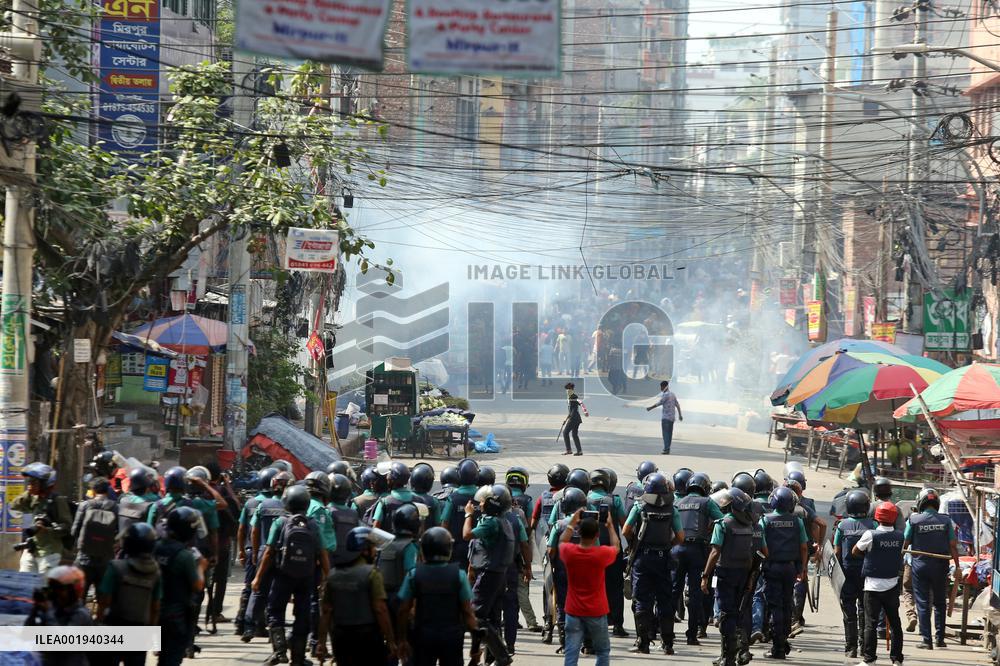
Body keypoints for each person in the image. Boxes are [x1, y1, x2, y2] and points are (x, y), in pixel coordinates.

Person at [252, 484, 330, 666]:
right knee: (302, 615)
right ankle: (298, 658)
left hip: (283, 575)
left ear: (286, 503)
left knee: (274, 611)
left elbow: (269, 552)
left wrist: (258, 577)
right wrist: (328, 577)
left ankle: (279, 652)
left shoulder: (280, 523)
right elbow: (323, 553)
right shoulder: (313, 525)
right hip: (306, 577)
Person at [316, 526, 398, 665]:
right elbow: (380, 609)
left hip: (341, 638)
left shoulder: (333, 575)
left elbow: (326, 611)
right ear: (365, 550)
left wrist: (321, 642)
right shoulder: (372, 573)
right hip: (368, 637)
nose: (375, 552)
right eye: (372, 547)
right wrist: (391, 641)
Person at [396, 527, 478, 666]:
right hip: (451, 637)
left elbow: (403, 610)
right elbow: (467, 612)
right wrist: (474, 646)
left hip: (423, 636)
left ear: (423, 549)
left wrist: (402, 639)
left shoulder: (414, 574)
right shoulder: (459, 575)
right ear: (448, 549)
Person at [622, 472, 684, 654]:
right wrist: (668, 545)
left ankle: (643, 643)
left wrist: (635, 542)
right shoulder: (672, 509)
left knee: (642, 600)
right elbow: (680, 537)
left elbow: (625, 530)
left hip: (643, 558)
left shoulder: (639, 507)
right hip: (663, 559)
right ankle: (668, 644)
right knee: (665, 600)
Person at [702, 488, 762, 666]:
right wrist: (750, 578)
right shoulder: (749, 525)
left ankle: (728, 658)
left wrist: (705, 575)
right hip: (743, 574)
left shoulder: (723, 524)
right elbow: (752, 554)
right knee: (736, 613)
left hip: (725, 574)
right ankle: (732, 654)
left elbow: (715, 552)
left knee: (725, 615)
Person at [464, 484, 518, 666]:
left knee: (475, 615)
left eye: (483, 502)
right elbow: (480, 547)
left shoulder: (491, 523)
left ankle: (501, 655)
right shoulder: (504, 521)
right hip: (498, 574)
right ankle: (491, 657)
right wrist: (472, 567)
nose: (479, 504)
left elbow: (467, 535)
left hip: (489, 574)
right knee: (492, 618)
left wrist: (468, 515)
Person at [558, 508, 620, 666]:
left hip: (573, 610)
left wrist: (573, 522)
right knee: (603, 651)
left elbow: (562, 542)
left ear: (579, 533)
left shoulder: (570, 552)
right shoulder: (601, 555)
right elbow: (616, 546)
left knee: (571, 651)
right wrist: (610, 526)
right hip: (596, 610)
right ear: (597, 535)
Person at [902, 487, 961, 650]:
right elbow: (953, 545)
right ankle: (939, 639)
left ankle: (927, 641)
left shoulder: (914, 520)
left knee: (922, 602)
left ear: (920, 502)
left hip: (920, 566)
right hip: (940, 566)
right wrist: (957, 566)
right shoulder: (946, 521)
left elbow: (905, 543)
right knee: (940, 602)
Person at [97, 523, 161, 666]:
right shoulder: (156, 573)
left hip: (113, 629)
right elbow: (156, 608)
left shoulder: (115, 567)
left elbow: (104, 601)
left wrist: (99, 624)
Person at [674, 471, 723, 645]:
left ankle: (666, 636)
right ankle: (692, 635)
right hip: (697, 551)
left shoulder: (678, 502)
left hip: (677, 549)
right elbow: (722, 521)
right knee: (696, 594)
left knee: (673, 591)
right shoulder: (707, 502)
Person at [242, 470, 292, 643]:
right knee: (279, 594)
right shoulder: (290, 507)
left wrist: (256, 553)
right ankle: (275, 632)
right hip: (284, 554)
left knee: (258, 591)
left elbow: (254, 531)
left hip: (264, 552)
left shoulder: (263, 505)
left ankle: (249, 627)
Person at [853, 501, 905, 666]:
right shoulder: (900, 536)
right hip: (892, 586)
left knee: (871, 624)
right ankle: (897, 660)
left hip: (872, 587)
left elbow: (855, 551)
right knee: (895, 624)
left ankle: (869, 660)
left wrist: (869, 557)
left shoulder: (870, 535)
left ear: (877, 517)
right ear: (894, 518)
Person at [760, 486, 809, 660]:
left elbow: (761, 545)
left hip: (772, 568)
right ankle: (783, 641)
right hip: (790, 569)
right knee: (787, 604)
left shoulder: (765, 520)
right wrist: (802, 569)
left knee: (775, 606)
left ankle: (778, 647)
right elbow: (804, 547)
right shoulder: (798, 521)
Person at [155, 506, 207, 666]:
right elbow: (198, 585)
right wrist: (201, 567)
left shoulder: (156, 547)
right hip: (174, 616)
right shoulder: (185, 556)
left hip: (152, 612)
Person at [235, 466, 278, 638]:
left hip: (253, 551)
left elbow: (242, 529)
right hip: (269, 552)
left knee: (250, 588)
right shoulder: (280, 504)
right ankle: (261, 625)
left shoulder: (250, 503)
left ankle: (242, 624)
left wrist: (242, 551)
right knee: (267, 589)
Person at [834, 489, 875, 658]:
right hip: (867, 575)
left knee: (849, 612)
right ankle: (864, 646)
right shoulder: (873, 525)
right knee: (865, 610)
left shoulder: (842, 525)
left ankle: (851, 648)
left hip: (847, 574)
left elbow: (836, 552)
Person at [531, 463, 569, 644]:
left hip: (547, 547)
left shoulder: (543, 497)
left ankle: (548, 628)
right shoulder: (570, 497)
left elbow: (533, 522)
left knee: (548, 587)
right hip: (565, 549)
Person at [25, 565, 94, 666]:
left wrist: (48, 612)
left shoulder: (81, 614)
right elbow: (26, 635)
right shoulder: (55, 608)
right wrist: (36, 609)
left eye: (60, 588)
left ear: (73, 591)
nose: (55, 592)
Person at [587, 467, 628, 637]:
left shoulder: (584, 499)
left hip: (591, 551)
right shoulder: (615, 500)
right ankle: (617, 625)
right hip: (612, 551)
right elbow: (625, 525)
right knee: (615, 587)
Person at [12, 462, 72, 574]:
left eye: (34, 482)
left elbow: (67, 526)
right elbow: (15, 505)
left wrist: (47, 529)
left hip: (49, 551)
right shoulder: (33, 498)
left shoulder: (58, 500)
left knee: (43, 583)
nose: (30, 485)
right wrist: (29, 493)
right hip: (32, 548)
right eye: (29, 482)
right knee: (24, 581)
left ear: (45, 483)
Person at [505, 467, 541, 634]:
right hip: (520, 549)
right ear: (524, 483)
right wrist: (528, 562)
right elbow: (529, 526)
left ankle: (508, 619)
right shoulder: (526, 501)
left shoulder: (501, 499)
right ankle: (531, 621)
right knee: (522, 587)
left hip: (501, 553)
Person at [71, 476, 118, 598]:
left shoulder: (85, 505)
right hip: (105, 560)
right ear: (107, 490)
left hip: (84, 558)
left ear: (93, 490)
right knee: (103, 599)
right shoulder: (115, 507)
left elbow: (74, 531)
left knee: (78, 596)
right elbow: (118, 532)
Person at [207, 462, 241, 624]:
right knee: (220, 581)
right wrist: (227, 485)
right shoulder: (223, 493)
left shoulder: (199, 492)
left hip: (201, 545)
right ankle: (215, 612)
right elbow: (236, 508)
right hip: (222, 544)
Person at [439, 458, 480, 570]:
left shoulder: (452, 498)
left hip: (457, 550)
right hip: (480, 551)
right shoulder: (483, 498)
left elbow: (444, 525)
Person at [646, 380, 682, 454]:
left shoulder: (665, 395)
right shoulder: (673, 394)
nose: (660, 389)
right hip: (672, 418)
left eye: (661, 387)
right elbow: (677, 405)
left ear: (663, 386)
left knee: (665, 434)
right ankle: (667, 448)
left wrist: (650, 408)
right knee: (669, 434)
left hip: (666, 418)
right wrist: (680, 415)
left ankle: (666, 449)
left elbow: (659, 403)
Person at [563, 382, 584, 456]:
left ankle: (569, 450)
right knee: (574, 434)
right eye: (567, 390)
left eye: (569, 389)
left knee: (565, 433)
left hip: (574, 418)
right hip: (576, 418)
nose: (567, 391)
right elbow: (571, 410)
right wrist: (566, 418)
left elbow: (579, 404)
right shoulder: (570, 397)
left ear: (572, 390)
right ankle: (579, 451)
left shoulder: (574, 397)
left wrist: (585, 410)